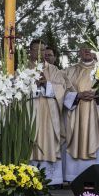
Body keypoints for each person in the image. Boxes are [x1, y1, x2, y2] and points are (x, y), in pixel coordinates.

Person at [28, 39, 70, 186]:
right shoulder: (22, 69)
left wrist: (47, 84)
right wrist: (32, 85)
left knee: (49, 142)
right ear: (30, 51)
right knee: (31, 141)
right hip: (30, 112)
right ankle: (29, 176)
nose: (40, 53)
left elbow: (62, 89)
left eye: (42, 50)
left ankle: (52, 179)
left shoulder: (53, 70)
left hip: (50, 114)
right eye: (36, 50)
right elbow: (15, 91)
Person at [62, 47, 99, 181]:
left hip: (95, 111)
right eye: (83, 49)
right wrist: (77, 95)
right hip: (77, 112)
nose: (86, 51)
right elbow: (62, 92)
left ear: (95, 52)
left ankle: (97, 177)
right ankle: (73, 177)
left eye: (90, 49)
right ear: (79, 52)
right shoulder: (69, 71)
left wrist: (98, 95)